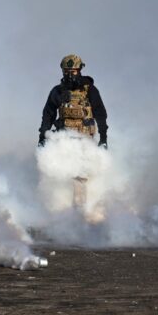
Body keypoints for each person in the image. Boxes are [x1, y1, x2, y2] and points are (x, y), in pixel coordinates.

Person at [38, 54, 108, 214]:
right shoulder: (57, 91)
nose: (70, 75)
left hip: (84, 140)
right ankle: (60, 210)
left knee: (80, 175)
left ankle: (80, 211)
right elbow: (48, 115)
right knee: (60, 174)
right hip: (64, 140)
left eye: (73, 72)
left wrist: (103, 138)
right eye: (67, 72)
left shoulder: (90, 90)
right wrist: (42, 137)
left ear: (80, 70)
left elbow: (100, 114)